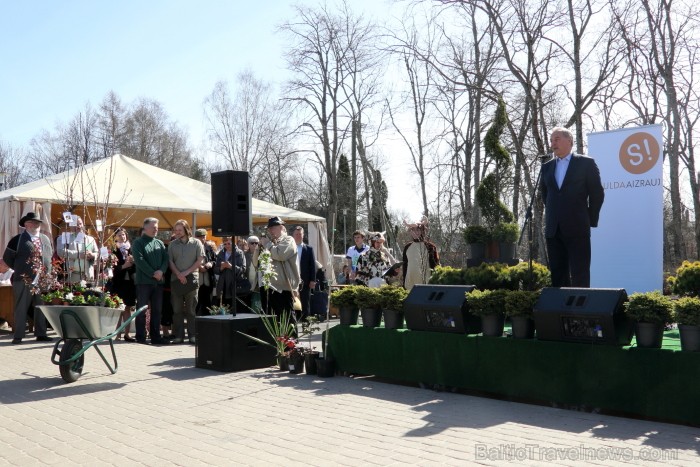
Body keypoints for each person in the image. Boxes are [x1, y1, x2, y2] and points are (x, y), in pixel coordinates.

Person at [540, 127, 605, 288]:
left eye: (557, 139)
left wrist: (589, 219)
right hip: (554, 229)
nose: (553, 143)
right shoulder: (546, 167)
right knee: (558, 272)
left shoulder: (586, 163)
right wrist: (554, 215)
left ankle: (581, 310)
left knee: (580, 272)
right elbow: (545, 195)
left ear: (569, 141)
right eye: (551, 140)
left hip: (577, 226)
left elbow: (597, 193)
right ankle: (561, 309)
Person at [2, 212, 54, 344]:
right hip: (24, 279)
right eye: (32, 222)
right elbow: (8, 258)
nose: (35, 224)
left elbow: (50, 257)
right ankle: (18, 335)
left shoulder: (46, 239)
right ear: (25, 224)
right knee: (21, 307)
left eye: (37, 222)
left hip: (42, 279)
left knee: (41, 307)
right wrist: (21, 269)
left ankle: (41, 333)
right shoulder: (17, 240)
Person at [252, 217, 300, 318]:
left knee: (286, 320)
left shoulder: (288, 240)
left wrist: (267, 245)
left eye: (273, 228)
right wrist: (258, 247)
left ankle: (290, 335)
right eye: (269, 229)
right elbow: (255, 263)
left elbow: (280, 255)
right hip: (267, 286)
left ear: (281, 227)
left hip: (283, 288)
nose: (270, 231)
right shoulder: (269, 243)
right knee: (269, 320)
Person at [131, 217, 170, 345]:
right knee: (141, 310)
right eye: (153, 227)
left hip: (158, 283)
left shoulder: (159, 243)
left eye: (157, 227)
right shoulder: (138, 242)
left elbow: (166, 259)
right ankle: (140, 337)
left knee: (157, 311)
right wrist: (153, 273)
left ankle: (155, 337)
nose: (156, 229)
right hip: (144, 282)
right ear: (145, 228)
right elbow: (139, 260)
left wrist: (161, 271)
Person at [168, 220, 204, 344]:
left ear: (186, 230)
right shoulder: (172, 245)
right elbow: (170, 261)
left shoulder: (196, 243)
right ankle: (178, 336)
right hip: (176, 280)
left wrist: (186, 272)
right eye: (175, 230)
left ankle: (192, 336)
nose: (177, 232)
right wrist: (178, 274)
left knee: (191, 310)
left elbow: (200, 260)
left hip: (192, 280)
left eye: (179, 230)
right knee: (177, 310)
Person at [111, 227, 136, 342]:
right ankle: (117, 334)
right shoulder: (112, 250)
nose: (122, 237)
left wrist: (133, 263)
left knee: (128, 307)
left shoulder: (131, 249)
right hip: (118, 282)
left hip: (130, 282)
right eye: (120, 235)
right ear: (115, 237)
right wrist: (123, 266)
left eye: (124, 235)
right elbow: (110, 269)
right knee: (118, 308)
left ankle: (127, 333)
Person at [56, 215, 98, 283]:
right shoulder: (65, 237)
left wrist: (92, 255)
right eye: (76, 224)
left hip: (87, 275)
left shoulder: (90, 239)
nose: (79, 226)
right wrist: (78, 254)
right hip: (72, 275)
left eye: (80, 224)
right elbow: (60, 252)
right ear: (70, 225)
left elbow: (97, 253)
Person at [402, 217, 439, 291]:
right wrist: (404, 283)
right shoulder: (407, 247)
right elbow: (405, 266)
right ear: (410, 231)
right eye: (413, 230)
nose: (416, 232)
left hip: (427, 283)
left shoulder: (430, 246)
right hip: (410, 283)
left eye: (418, 230)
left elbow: (435, 265)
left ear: (422, 231)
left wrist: (435, 281)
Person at [213, 236, 246, 311]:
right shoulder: (221, 253)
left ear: (233, 243)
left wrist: (231, 266)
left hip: (234, 285)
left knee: (235, 308)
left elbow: (243, 269)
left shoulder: (239, 253)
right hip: (222, 285)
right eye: (225, 244)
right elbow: (215, 269)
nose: (227, 246)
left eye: (229, 243)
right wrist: (221, 268)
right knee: (223, 308)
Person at [292, 225, 316, 319]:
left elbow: (312, 265)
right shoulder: (289, 248)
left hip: (305, 279)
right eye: (296, 234)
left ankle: (306, 319)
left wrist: (312, 280)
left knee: (305, 300)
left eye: (300, 234)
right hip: (292, 278)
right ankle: (295, 318)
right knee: (293, 299)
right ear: (293, 235)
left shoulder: (308, 249)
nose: (298, 236)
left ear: (303, 235)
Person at [194, 229, 216, 316]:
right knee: (196, 305)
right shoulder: (192, 247)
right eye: (199, 237)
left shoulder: (209, 248)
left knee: (207, 305)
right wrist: (199, 267)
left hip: (207, 281)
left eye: (203, 237)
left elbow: (215, 260)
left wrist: (210, 263)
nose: (202, 239)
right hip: (196, 281)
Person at [246, 235, 261, 313]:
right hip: (247, 283)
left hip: (258, 284)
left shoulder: (262, 254)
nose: (255, 245)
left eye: (256, 243)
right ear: (248, 244)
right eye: (252, 243)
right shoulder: (244, 255)